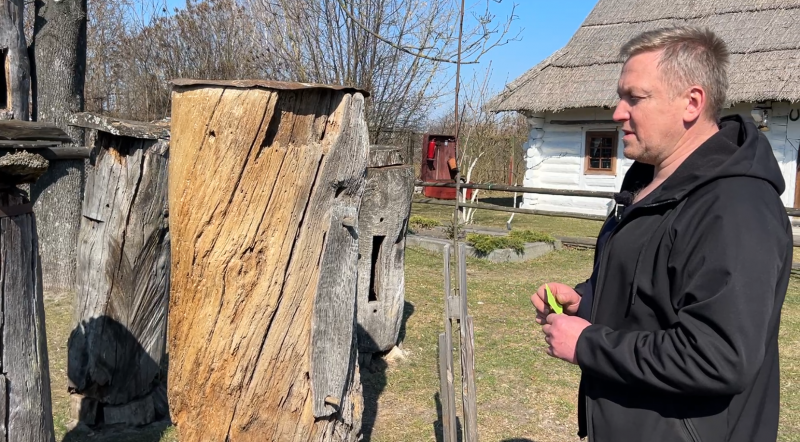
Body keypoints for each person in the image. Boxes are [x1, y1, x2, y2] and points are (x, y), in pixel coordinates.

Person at [531, 26, 792, 442]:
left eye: (634, 98)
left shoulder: (735, 207)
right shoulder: (648, 185)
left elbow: (719, 356)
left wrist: (589, 344)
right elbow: (653, 295)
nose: (617, 112)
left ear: (691, 102)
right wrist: (587, 301)